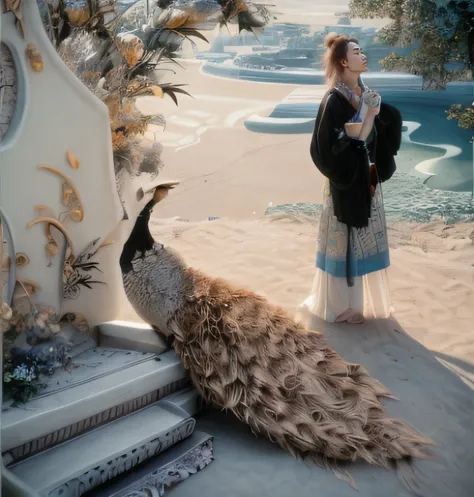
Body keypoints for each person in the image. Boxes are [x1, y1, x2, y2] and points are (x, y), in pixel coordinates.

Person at [302, 33, 402, 324]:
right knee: (343, 240)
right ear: (344, 61)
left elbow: (373, 132)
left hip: (366, 175)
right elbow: (329, 146)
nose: (363, 55)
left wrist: (379, 117)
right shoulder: (334, 99)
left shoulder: (364, 92)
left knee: (362, 239)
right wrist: (368, 115)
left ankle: (356, 304)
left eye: (362, 52)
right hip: (345, 180)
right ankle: (338, 306)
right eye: (357, 53)